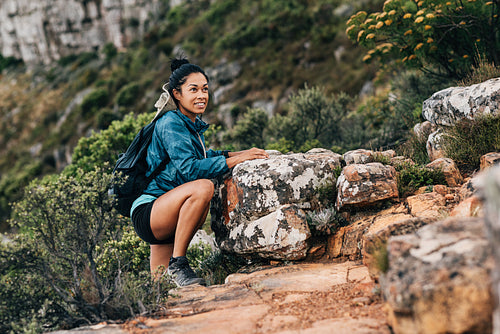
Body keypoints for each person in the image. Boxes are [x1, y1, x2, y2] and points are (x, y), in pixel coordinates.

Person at [130, 58, 269, 287]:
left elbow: (204, 155)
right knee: (204, 187)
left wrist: (238, 153)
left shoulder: (188, 122)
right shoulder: (171, 123)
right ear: (177, 94)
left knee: (163, 292)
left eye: (205, 89)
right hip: (152, 209)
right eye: (193, 90)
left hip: (165, 208)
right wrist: (236, 161)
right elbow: (190, 168)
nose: (202, 95)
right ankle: (179, 263)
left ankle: (161, 293)